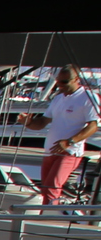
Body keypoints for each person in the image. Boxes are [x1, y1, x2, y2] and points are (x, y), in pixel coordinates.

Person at [25, 64, 99, 207]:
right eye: (58, 81)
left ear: (76, 79)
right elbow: (42, 122)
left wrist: (69, 142)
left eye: (64, 82)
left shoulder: (87, 97)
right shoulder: (58, 98)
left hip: (69, 151)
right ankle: (44, 214)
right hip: (50, 150)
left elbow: (93, 126)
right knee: (45, 188)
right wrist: (27, 122)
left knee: (52, 188)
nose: (60, 85)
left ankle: (47, 217)